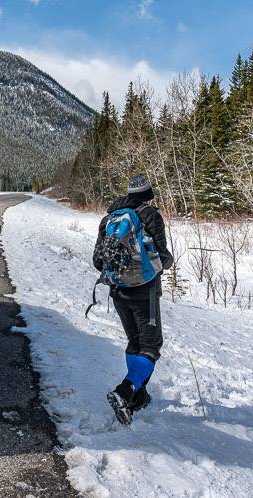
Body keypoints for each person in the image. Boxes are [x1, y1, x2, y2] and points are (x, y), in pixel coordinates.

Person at [92, 176, 173, 424]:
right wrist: (163, 264)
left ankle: (137, 397)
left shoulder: (109, 219)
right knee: (150, 346)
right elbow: (163, 255)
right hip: (144, 291)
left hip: (118, 291)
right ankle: (125, 390)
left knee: (135, 342)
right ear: (149, 194)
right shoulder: (149, 215)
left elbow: (98, 261)